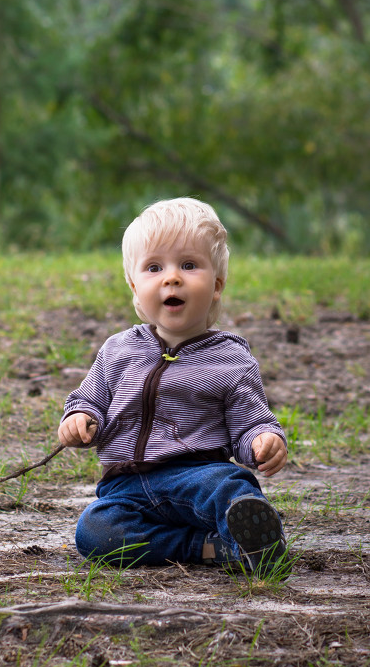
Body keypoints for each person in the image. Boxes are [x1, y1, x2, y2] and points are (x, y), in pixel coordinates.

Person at [58, 197, 288, 576]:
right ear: (134, 285)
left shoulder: (229, 358)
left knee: (228, 487)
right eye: (154, 267)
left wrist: (263, 441)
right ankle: (210, 547)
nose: (172, 277)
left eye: (188, 265)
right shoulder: (119, 350)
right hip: (127, 487)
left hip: (198, 477)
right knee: (95, 530)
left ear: (216, 286)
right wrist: (81, 417)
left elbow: (250, 423)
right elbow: (91, 399)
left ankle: (257, 534)